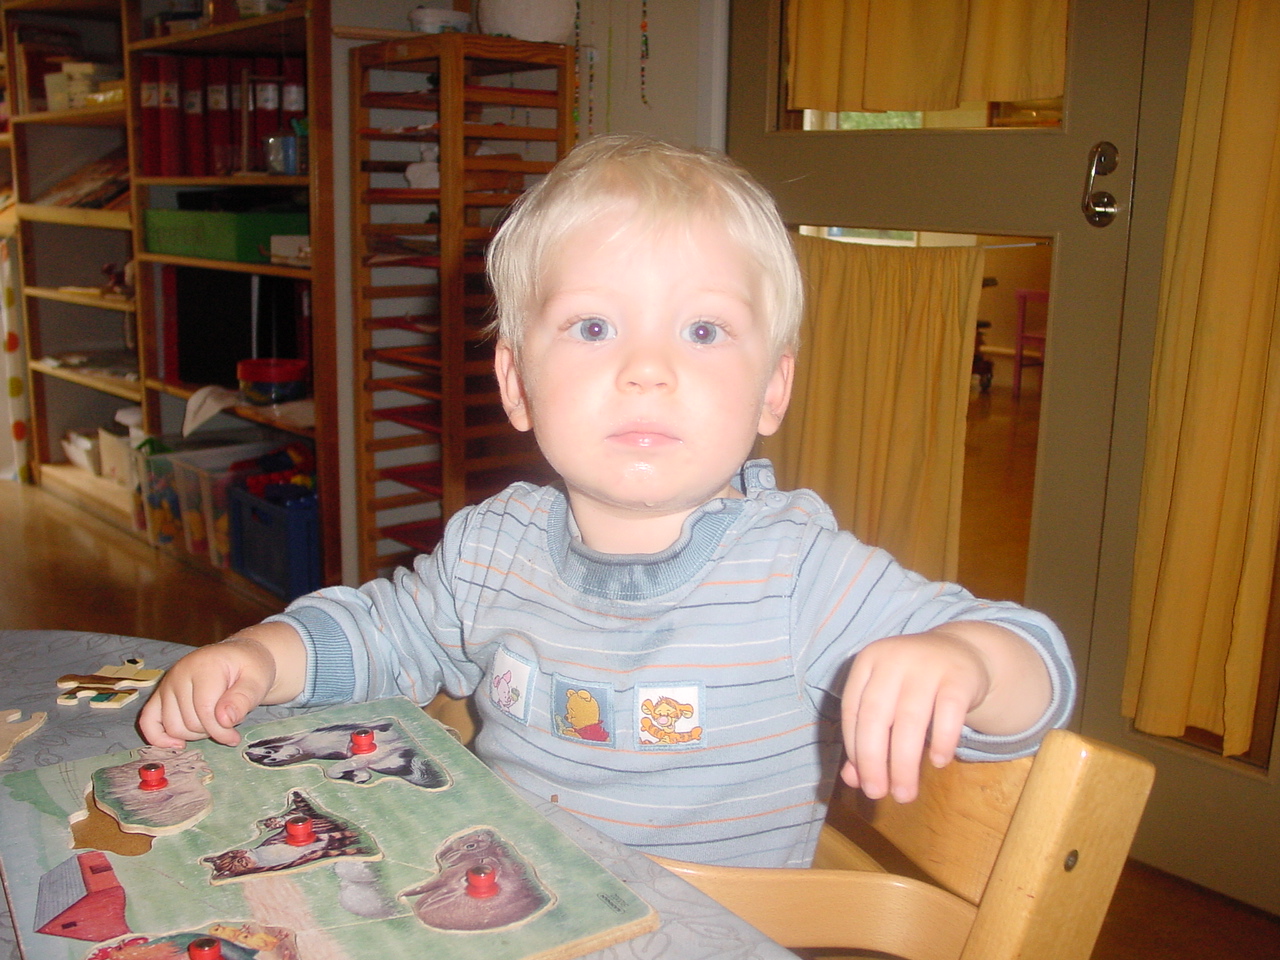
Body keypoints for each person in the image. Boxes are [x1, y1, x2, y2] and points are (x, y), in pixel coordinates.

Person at [140, 133, 1074, 868]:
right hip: (519, 911)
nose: (647, 369)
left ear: (773, 389)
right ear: (516, 383)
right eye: (594, 326)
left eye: (703, 330)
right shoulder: (491, 549)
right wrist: (261, 658)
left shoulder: (797, 575)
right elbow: (385, 631)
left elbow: (1038, 671)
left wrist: (964, 661)